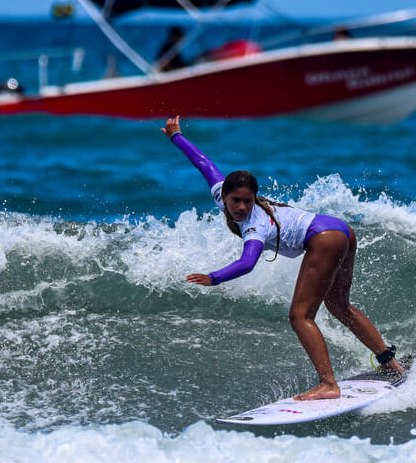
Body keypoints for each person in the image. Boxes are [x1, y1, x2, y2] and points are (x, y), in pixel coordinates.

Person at [163, 116, 403, 400]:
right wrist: (176, 136)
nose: (241, 207)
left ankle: (328, 384)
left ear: (255, 198)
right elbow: (204, 164)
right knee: (339, 305)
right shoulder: (220, 193)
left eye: (248, 201)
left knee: (300, 316)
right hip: (339, 229)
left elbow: (247, 263)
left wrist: (214, 278)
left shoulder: (255, 225)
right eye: (236, 201)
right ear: (223, 196)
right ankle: (391, 364)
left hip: (324, 238)